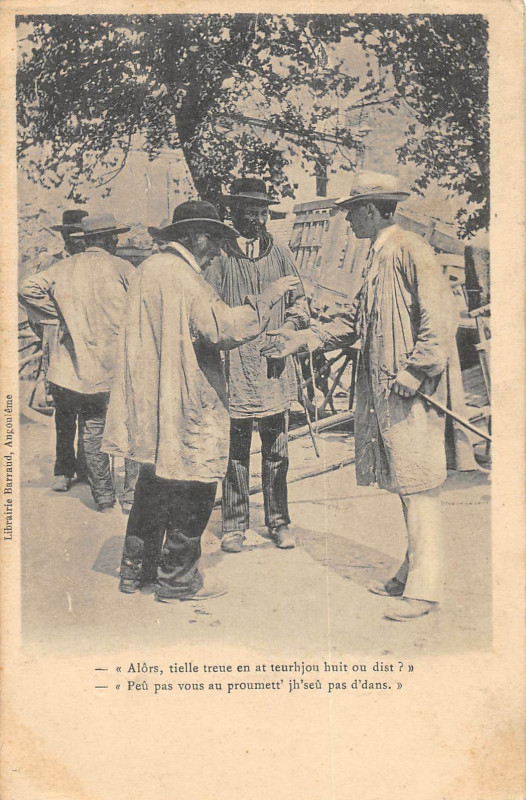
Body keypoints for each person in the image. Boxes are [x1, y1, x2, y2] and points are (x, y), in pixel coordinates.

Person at [261, 171, 476, 621]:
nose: (349, 221)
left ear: (375, 210)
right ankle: (408, 570)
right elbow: (356, 320)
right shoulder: (378, 256)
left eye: (353, 212)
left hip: (409, 390)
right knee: (405, 482)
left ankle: (425, 589)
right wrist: (303, 339)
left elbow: (440, 316)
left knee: (420, 486)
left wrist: (417, 370)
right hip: (386, 390)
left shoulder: (409, 249)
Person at [101, 201, 300, 601]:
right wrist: (268, 297)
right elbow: (221, 329)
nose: (216, 252)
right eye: (214, 242)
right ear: (196, 237)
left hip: (151, 400)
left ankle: (134, 571)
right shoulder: (186, 278)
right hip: (184, 399)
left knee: (152, 484)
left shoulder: (148, 270)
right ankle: (178, 580)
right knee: (194, 486)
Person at [204, 178, 310, 553]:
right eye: (249, 210)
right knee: (235, 452)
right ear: (234, 213)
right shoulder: (220, 257)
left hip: (273, 367)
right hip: (233, 366)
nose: (256, 218)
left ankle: (278, 521)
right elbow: (209, 314)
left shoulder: (280, 253)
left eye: (262, 211)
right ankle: (234, 524)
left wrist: (291, 329)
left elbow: (300, 305)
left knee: (277, 449)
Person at [18, 213, 138, 513]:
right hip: (123, 364)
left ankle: (104, 497)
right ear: (106, 239)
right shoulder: (123, 267)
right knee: (131, 429)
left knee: (93, 429)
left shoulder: (63, 267)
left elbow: (26, 289)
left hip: (84, 368)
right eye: (114, 237)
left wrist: (57, 315)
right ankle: (132, 496)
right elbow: (142, 305)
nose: (116, 241)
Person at [26, 210, 89, 489]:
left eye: (81, 235)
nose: (76, 241)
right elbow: (33, 310)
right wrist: (53, 329)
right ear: (64, 236)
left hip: (90, 347)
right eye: (71, 235)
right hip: (60, 346)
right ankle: (64, 469)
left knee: (92, 410)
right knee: (64, 411)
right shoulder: (50, 265)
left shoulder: (94, 265)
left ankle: (89, 467)